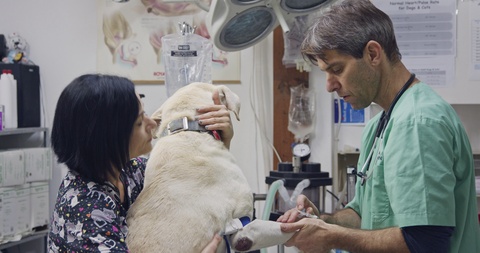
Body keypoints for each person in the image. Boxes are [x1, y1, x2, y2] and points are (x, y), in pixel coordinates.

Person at [277, 0, 480, 252]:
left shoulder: (417, 123)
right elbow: (364, 215)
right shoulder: (379, 125)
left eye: (337, 69)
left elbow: (425, 242)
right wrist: (322, 221)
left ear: (373, 54)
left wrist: (331, 236)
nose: (330, 85)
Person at [48, 74, 231, 252]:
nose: (151, 123)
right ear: (109, 137)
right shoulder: (85, 213)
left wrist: (223, 139)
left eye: (145, 113)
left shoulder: (131, 169)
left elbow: (199, 185)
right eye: (139, 122)